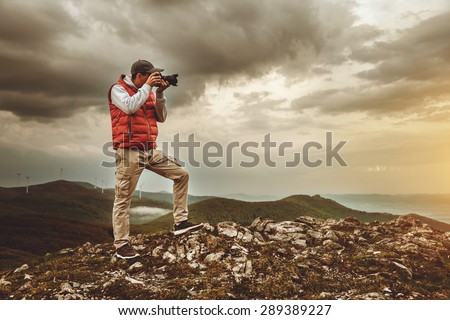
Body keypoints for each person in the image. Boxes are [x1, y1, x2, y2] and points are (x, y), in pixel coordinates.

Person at [108, 59, 203, 259]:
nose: (154, 78)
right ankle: (122, 244)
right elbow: (129, 108)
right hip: (129, 152)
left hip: (150, 150)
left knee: (181, 175)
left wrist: (159, 94)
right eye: (150, 75)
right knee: (123, 198)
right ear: (139, 76)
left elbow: (161, 117)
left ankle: (180, 222)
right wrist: (149, 87)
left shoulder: (149, 92)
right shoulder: (118, 90)